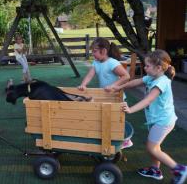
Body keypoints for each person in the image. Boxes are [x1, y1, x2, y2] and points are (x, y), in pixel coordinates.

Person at [113, 49, 187, 184]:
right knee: (154, 146)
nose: (144, 67)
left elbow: (148, 100)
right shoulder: (152, 77)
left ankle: (179, 169)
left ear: (158, 68)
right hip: (155, 120)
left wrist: (130, 109)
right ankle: (155, 170)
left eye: (147, 66)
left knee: (152, 147)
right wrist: (120, 87)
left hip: (163, 121)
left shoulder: (161, 82)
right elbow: (135, 82)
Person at [77, 37, 132, 148]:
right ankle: (109, 138)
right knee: (107, 118)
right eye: (92, 51)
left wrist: (113, 86)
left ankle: (125, 140)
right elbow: (90, 75)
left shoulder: (112, 63)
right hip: (105, 96)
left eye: (95, 51)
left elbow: (126, 76)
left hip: (117, 96)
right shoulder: (96, 62)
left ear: (104, 51)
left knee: (117, 119)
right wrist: (83, 84)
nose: (93, 54)